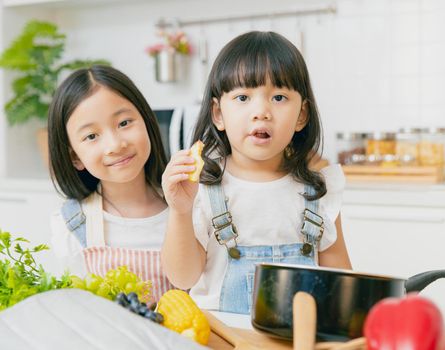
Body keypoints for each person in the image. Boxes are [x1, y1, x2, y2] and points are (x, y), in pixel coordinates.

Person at [161, 31, 352, 314]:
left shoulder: (319, 190)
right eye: (242, 97)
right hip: (223, 341)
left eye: (278, 97)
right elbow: (182, 277)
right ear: (218, 114)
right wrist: (179, 211)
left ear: (301, 115)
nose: (261, 111)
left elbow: (342, 287)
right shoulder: (201, 187)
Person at [48, 65, 174, 302]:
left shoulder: (189, 206)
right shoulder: (72, 226)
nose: (115, 145)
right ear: (75, 157)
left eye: (124, 123)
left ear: (146, 120)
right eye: (92, 136)